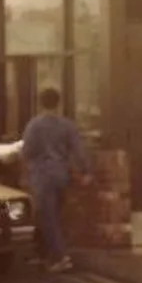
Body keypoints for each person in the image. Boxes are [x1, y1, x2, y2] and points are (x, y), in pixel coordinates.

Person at [22, 88, 92, 273]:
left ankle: (61, 257)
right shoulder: (67, 125)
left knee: (48, 217)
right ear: (58, 103)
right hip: (61, 175)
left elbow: (27, 151)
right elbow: (78, 150)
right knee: (54, 216)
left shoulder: (34, 125)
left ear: (40, 103)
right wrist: (85, 171)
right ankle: (44, 254)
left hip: (42, 175)